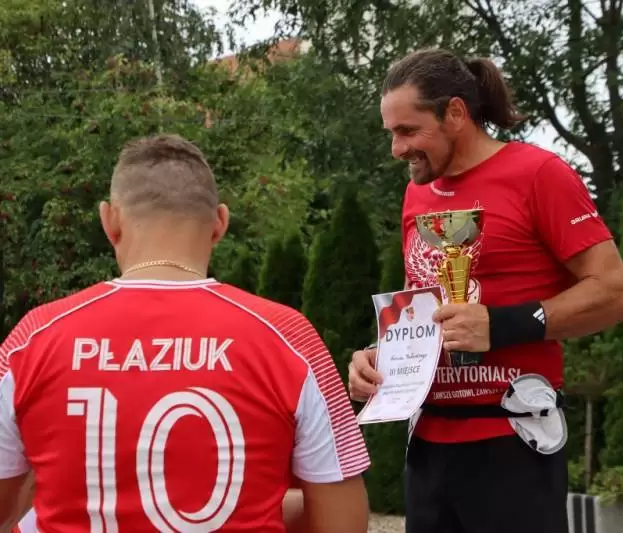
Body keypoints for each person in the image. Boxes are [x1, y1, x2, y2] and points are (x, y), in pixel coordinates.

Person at [0, 134, 371, 533]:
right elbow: (343, 522)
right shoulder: (289, 337)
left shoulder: (32, 338)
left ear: (110, 221)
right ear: (220, 223)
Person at [348, 48, 623, 533]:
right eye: (391, 133)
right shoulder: (417, 192)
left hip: (513, 439)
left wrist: (501, 325)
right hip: (429, 445)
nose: (397, 149)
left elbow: (616, 294)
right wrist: (383, 358)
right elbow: (422, 304)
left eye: (408, 130)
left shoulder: (539, 173)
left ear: (456, 113)